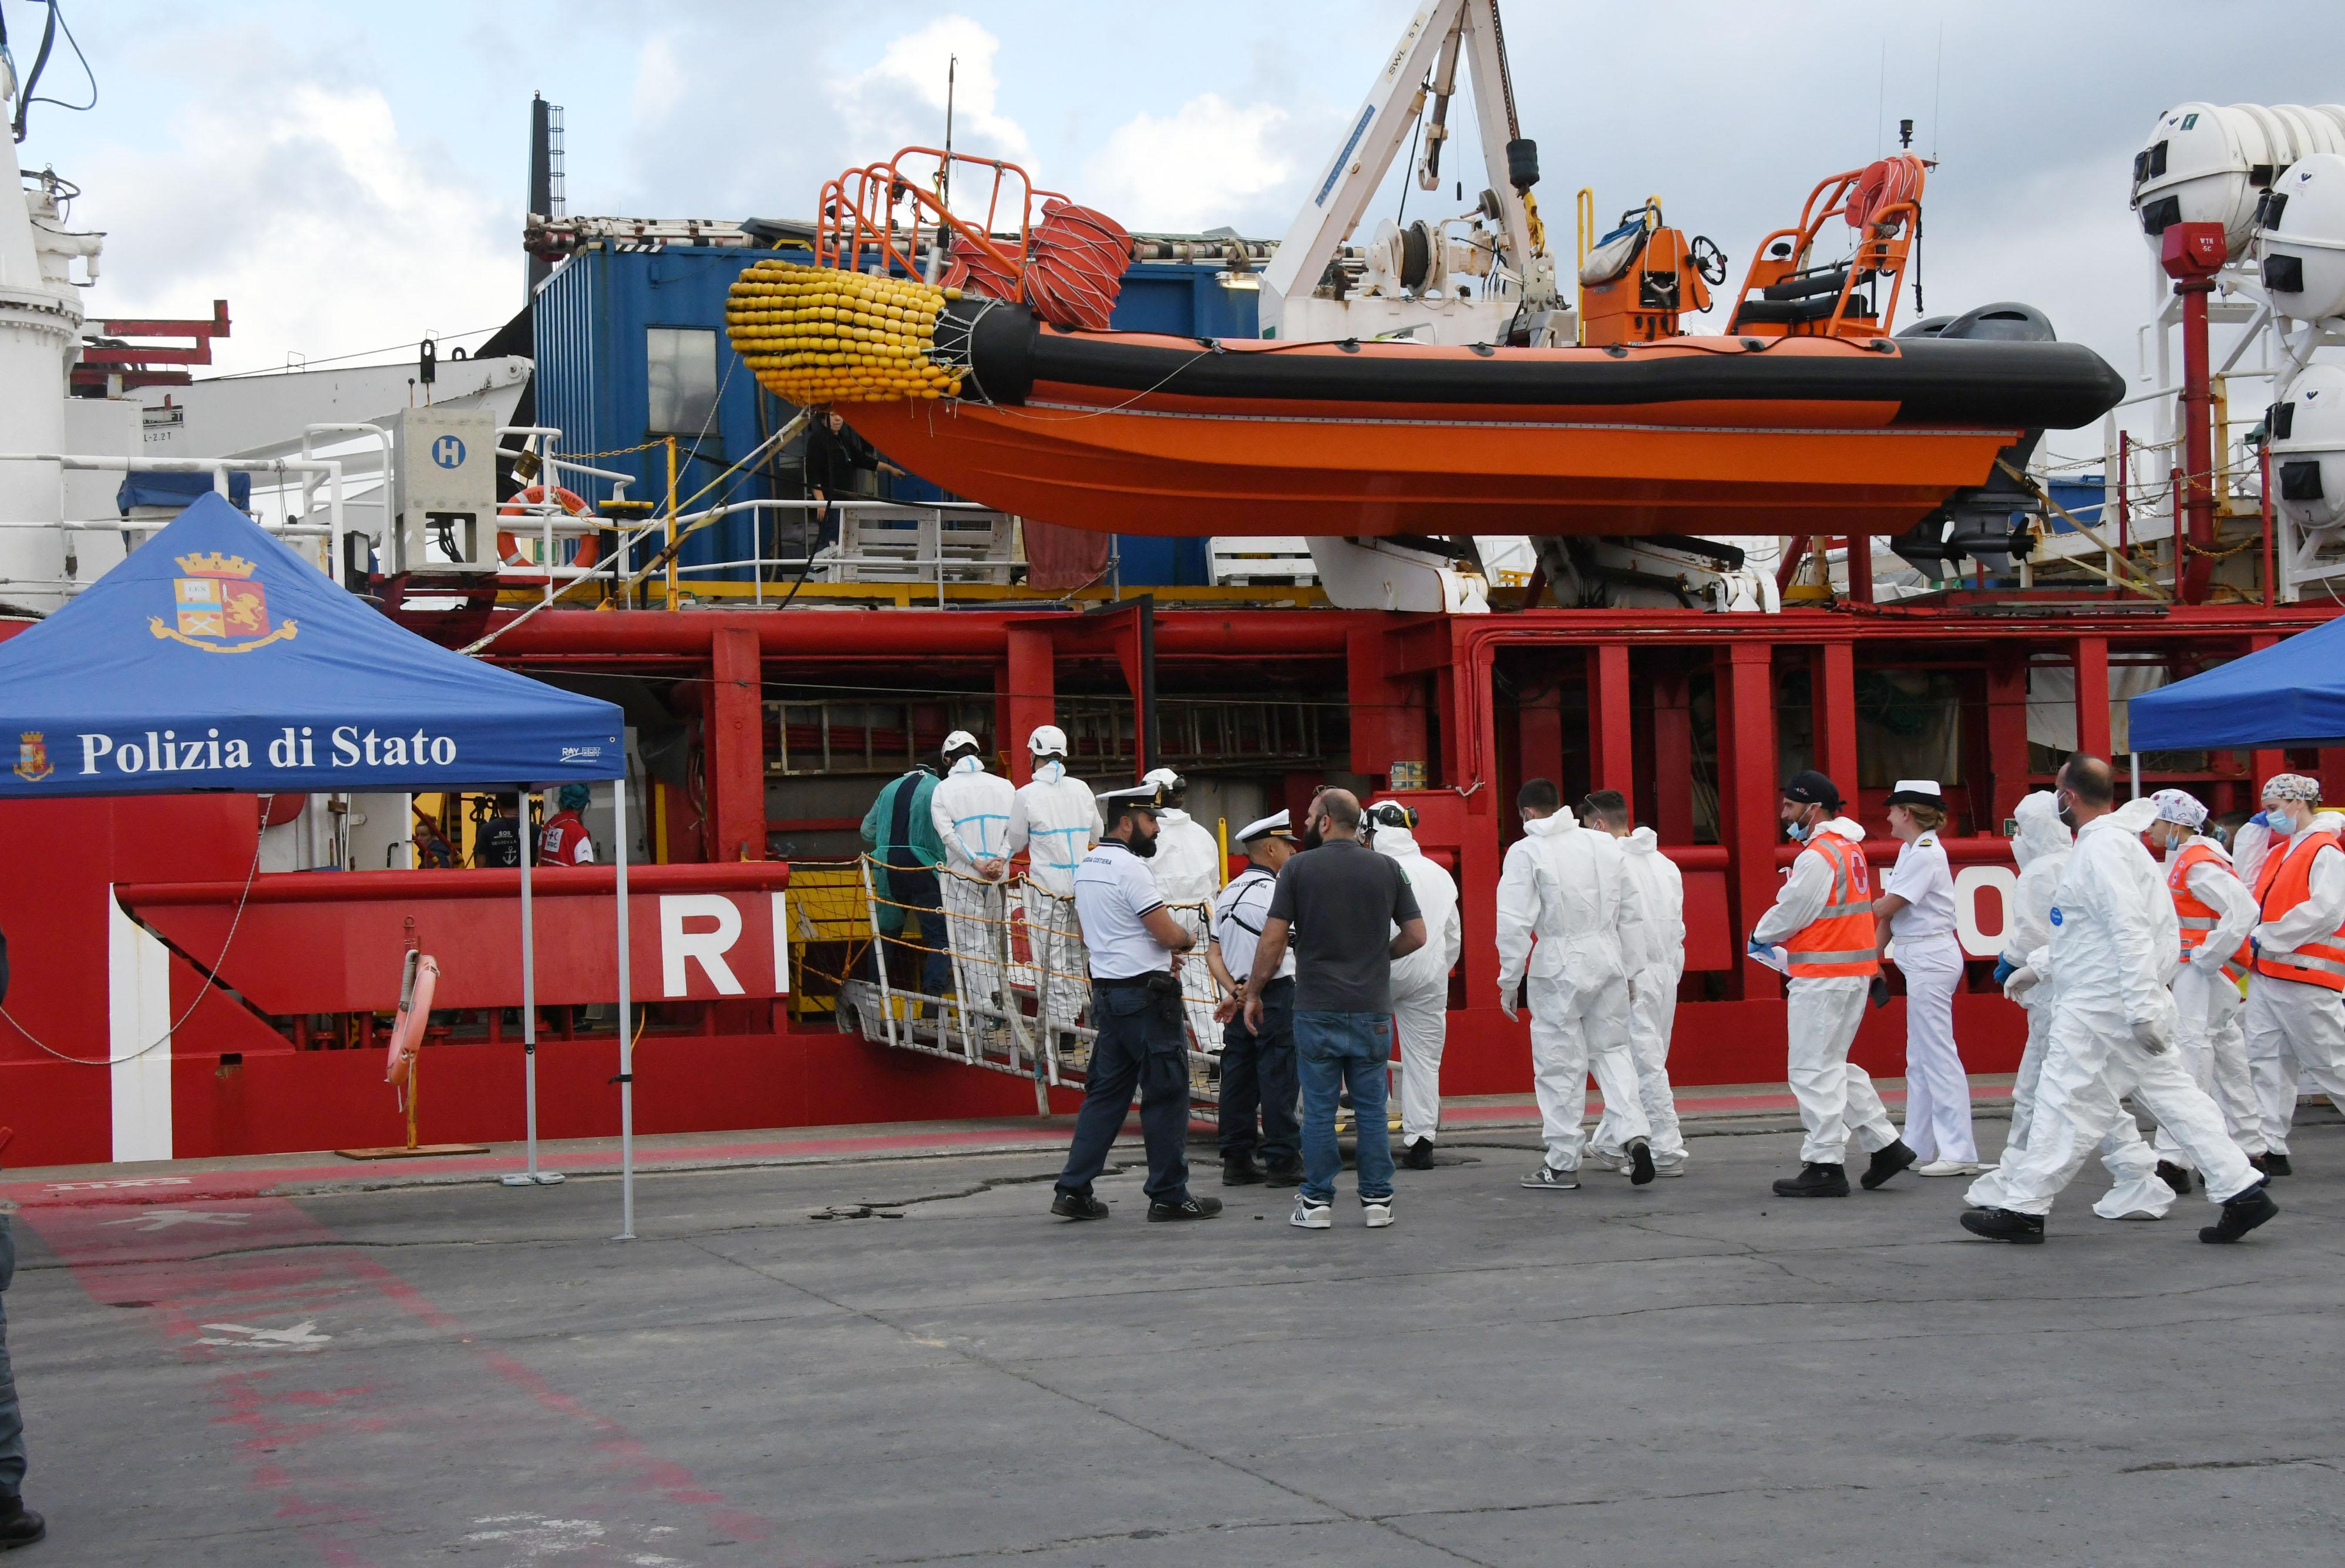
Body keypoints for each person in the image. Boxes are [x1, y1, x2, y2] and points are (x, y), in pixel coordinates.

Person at [1962, 756, 2277, 1244]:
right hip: (2119, 998)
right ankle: (2241, 1191)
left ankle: (2023, 1207)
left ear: (2068, 797)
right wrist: (2043, 968)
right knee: (2175, 1098)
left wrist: (2137, 1006)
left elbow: (2124, 929)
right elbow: (2094, 933)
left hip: (2100, 1005)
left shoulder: (2100, 851)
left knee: (2061, 1101)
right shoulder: (2116, 846)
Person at [1973, 790, 2174, 1222]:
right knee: (2083, 1092)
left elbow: (2035, 937)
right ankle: (2133, 1174)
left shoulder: (2041, 871)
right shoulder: (2081, 856)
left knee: (2055, 1094)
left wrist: (2013, 963)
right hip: (2084, 991)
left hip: (2057, 996)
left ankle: (2026, 1183)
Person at [1240, 789, 1425, 1231]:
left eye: (1308, 815)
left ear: (1324, 822)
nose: (1304, 822)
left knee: (1320, 1111)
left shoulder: (1297, 869)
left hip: (1316, 1008)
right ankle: (1377, 1201)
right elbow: (1416, 935)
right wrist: (1379, 955)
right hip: (1370, 1011)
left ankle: (1317, 1203)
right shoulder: (1387, 867)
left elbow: (1272, 940)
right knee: (1371, 1110)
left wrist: (1253, 992)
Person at [1048, 779, 1221, 1223]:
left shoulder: (1087, 866)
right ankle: (1168, 1194)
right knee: (1166, 1094)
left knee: (1105, 1097)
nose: (1156, 830)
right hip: (1146, 999)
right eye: (1149, 820)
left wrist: (1151, 953)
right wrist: (1185, 940)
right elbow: (1166, 931)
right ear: (1126, 823)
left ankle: (1072, 1189)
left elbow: (1091, 936)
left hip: (1107, 994)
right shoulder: (1131, 869)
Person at [1753, 770, 1917, 1198]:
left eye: (1790, 807)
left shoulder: (1817, 855)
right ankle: (1885, 1146)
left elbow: (1793, 909)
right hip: (1851, 974)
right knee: (1831, 1065)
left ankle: (1824, 1163)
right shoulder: (1849, 850)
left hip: (1821, 977)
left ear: (1813, 808)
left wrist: (1761, 934)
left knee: (1810, 1069)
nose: (1783, 814)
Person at [1496, 778, 1656, 1190]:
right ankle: (1634, 1133)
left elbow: (1513, 922)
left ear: (1527, 813)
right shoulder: (1602, 845)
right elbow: (1631, 913)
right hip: (1607, 956)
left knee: (1558, 1063)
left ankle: (1562, 1162)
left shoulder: (1526, 851)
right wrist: (1633, 971)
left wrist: (1509, 979)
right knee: (1613, 1050)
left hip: (1558, 960)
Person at [2143, 788, 2265, 1186]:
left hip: (2202, 971)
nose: (2150, 830)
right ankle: (2250, 1147)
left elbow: (2244, 910)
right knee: (2226, 1056)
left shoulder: (2195, 863)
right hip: (2214, 971)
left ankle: (2174, 1159)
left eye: (2156, 822)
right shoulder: (2194, 858)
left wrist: (2207, 957)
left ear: (2177, 824)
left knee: (2189, 1057)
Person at [1581, 789, 1690, 1177]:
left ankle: (1666, 1149)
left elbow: (1612, 923)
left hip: (1632, 973)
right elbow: (1677, 927)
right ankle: (1612, 1142)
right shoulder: (1665, 865)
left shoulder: (1609, 865)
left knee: (1640, 1064)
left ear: (1597, 825)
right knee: (1646, 1059)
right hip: (1664, 970)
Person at [1874, 780, 1980, 1175]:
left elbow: (1888, 905)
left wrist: (1875, 914)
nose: (1886, 816)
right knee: (1919, 1058)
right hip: (1921, 955)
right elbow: (1889, 913)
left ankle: (1958, 1151)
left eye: (1892, 809)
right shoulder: (1911, 851)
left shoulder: (1922, 855)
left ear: (1906, 813)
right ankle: (1916, 1146)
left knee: (1935, 1055)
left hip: (1928, 957)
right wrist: (1872, 959)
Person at [2242, 772, 2345, 1175]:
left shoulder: (2324, 852)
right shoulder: (2286, 851)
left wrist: (2268, 935)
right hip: (2273, 972)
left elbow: (2326, 911)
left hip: (2303, 974)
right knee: (2265, 1060)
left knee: (2330, 1063)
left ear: (2296, 802)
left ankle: (2270, 1142)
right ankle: (2269, 1144)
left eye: (2272, 809)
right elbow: (2251, 888)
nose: (2269, 818)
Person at [1208, 810, 1303, 1186]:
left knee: (1238, 1078)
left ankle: (1236, 1160)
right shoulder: (1279, 892)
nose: (1293, 853)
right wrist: (1256, 993)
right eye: (1288, 846)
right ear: (1270, 848)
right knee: (1278, 1077)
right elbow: (1277, 950)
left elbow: (1213, 954)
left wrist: (1236, 991)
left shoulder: (1226, 893)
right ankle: (1282, 1162)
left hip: (1238, 995)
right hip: (1273, 995)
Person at [1368, 800, 1461, 1170]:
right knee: (1424, 1060)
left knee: (1365, 1054)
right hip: (1430, 975)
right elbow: (1452, 935)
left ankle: (1372, 1134)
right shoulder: (1439, 873)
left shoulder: (1375, 869)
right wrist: (1439, 970)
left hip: (1382, 968)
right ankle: (1422, 1141)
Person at [1005, 726, 1104, 1054]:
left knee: (1051, 960)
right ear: (1063, 755)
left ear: (1033, 755)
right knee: (1080, 959)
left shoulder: (1027, 794)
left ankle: (1062, 1035)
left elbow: (1016, 841)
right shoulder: (1082, 789)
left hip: (1047, 889)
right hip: (1083, 887)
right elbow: (1098, 833)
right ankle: (1084, 1026)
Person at [930, 731, 1018, 1029]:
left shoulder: (944, 790)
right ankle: (1000, 1004)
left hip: (964, 876)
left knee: (971, 943)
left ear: (947, 758)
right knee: (995, 940)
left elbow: (948, 836)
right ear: (977, 753)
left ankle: (986, 1011)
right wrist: (999, 860)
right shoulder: (1005, 786)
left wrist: (977, 862)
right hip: (999, 874)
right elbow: (1015, 832)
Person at [1139, 767, 1224, 1055]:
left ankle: (1156, 1048)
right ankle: (1216, 1050)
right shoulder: (1202, 833)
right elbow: (1214, 883)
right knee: (1202, 983)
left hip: (1161, 916)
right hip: (1201, 915)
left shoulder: (1149, 835)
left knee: (1152, 980)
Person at [861, 762, 951, 1001]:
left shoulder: (890, 788)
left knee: (886, 935)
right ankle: (932, 1003)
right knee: (940, 937)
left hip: (888, 868)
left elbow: (867, 831)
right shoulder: (940, 788)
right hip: (926, 868)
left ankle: (873, 996)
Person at [802, 406, 901, 556]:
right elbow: (813, 472)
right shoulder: (817, 440)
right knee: (830, 543)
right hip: (831, 502)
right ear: (823, 418)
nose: (838, 419)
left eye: (840, 415)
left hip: (845, 501)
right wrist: (821, 502)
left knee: (845, 541)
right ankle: (825, 574)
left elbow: (862, 460)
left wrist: (890, 469)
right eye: (833, 415)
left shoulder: (842, 440)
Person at [539, 782, 597, 866]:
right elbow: (586, 875)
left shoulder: (547, 828)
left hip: (546, 879)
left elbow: (540, 865)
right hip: (569, 879)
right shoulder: (579, 834)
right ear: (584, 805)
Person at [475, 793, 523, 870]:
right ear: (521, 802)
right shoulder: (535, 829)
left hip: (496, 880)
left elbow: (480, 864)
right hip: (527, 880)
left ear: (498, 804)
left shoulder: (486, 829)